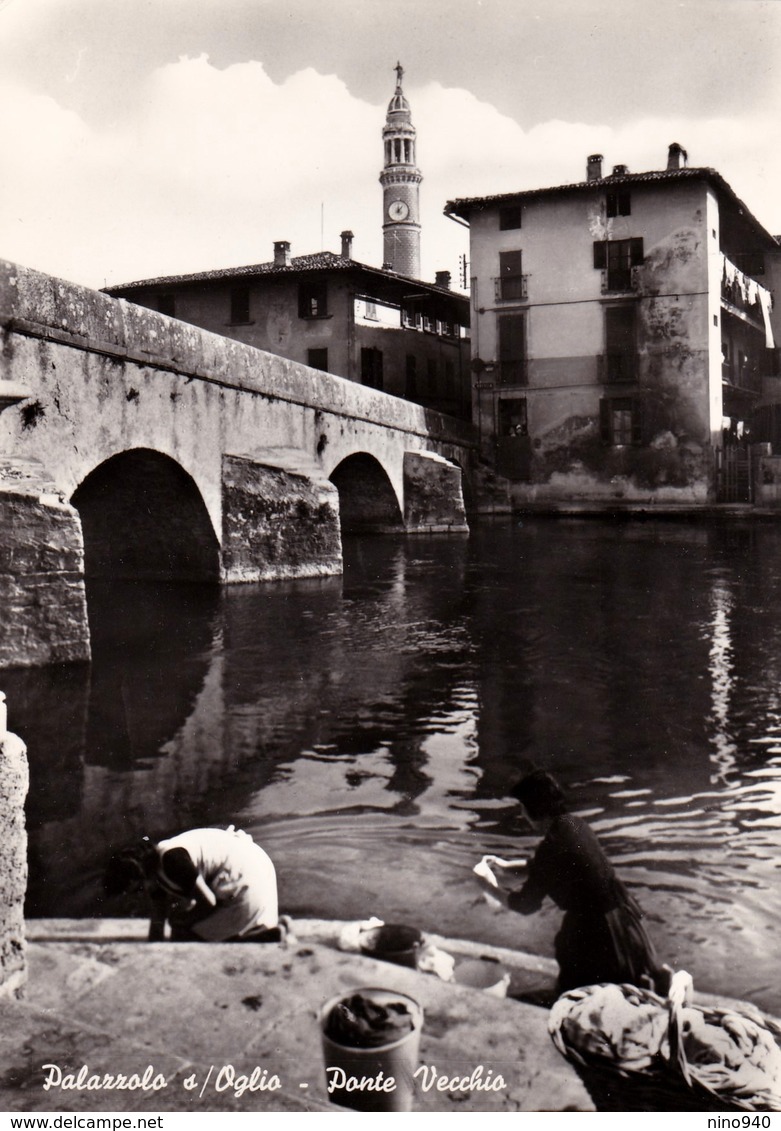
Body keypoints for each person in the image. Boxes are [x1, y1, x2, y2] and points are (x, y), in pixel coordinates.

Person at [475, 770, 669, 995]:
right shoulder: (575, 825)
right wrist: (507, 866)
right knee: (625, 983)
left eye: (522, 808)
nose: (522, 814)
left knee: (582, 993)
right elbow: (553, 865)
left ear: (534, 810)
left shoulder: (551, 846)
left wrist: (486, 885)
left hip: (596, 929)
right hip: (623, 916)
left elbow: (525, 904)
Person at [104, 825, 284, 943]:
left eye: (137, 889)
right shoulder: (153, 869)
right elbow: (158, 921)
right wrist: (152, 953)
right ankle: (264, 934)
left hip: (247, 877)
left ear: (139, 875)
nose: (139, 894)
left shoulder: (172, 860)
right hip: (252, 865)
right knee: (192, 927)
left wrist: (184, 921)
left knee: (188, 935)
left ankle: (263, 939)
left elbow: (208, 902)